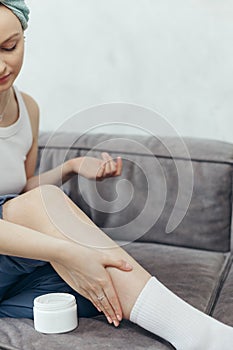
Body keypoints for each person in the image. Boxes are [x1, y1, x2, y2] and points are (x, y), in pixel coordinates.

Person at [0, 2, 232, 349]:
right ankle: (201, 337)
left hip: (13, 255)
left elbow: (19, 191)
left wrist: (70, 167)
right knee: (82, 255)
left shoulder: (27, 107)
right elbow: (29, 207)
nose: (3, 65)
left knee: (99, 284)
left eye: (10, 46)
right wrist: (67, 251)